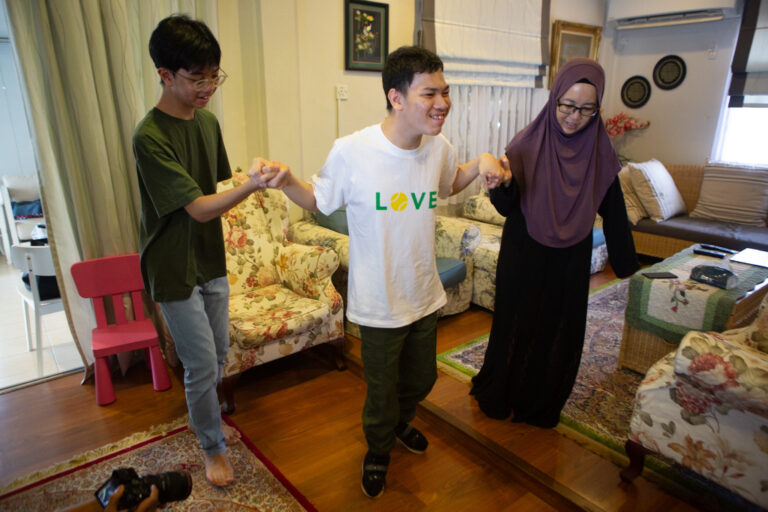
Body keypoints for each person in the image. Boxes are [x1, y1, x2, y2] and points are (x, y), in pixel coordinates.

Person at [262, 46, 505, 498]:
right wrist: (288, 181)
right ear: (396, 97)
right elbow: (319, 199)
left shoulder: (439, 148)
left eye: (446, 92)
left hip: (424, 293)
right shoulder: (353, 151)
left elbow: (450, 182)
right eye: (429, 93)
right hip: (378, 301)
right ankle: (378, 449)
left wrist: (482, 161)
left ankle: (398, 423)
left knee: (423, 379)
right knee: (381, 390)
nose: (443, 103)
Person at [133, 14, 278, 487]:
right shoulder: (149, 136)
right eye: (198, 78)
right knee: (198, 364)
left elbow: (215, 185)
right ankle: (212, 447)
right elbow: (197, 208)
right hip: (172, 265)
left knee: (215, 356)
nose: (209, 87)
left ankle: (207, 423)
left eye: (214, 76)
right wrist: (252, 186)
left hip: (209, 257)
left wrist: (251, 172)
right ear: (165, 74)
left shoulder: (208, 123)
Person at [470, 58, 640, 429]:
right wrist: (503, 184)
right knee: (515, 323)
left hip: (571, 256)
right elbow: (507, 207)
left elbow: (614, 211)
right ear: (555, 99)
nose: (575, 117)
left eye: (586, 109)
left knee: (555, 327)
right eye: (568, 105)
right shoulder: (525, 145)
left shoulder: (600, 152)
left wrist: (628, 266)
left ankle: (537, 403)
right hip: (524, 249)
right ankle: (501, 393)